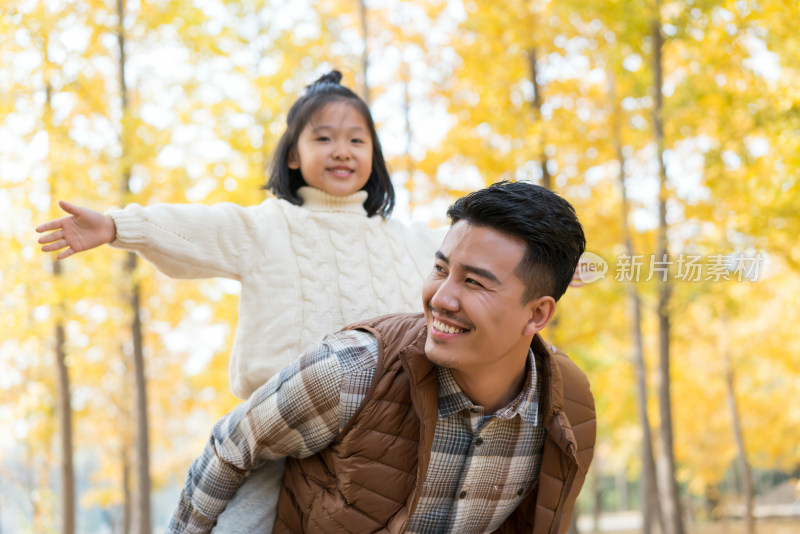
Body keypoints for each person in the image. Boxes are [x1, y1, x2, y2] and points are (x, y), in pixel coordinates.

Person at [35, 71, 444, 532]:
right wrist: (116, 227)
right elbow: (196, 229)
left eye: (356, 139)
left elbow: (481, 256)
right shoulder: (266, 227)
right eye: (323, 137)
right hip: (281, 431)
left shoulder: (409, 240)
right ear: (293, 153)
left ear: (374, 154)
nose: (341, 150)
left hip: (384, 436)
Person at [168, 181, 596, 534]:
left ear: (537, 314)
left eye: (475, 283)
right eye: (441, 269)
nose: (441, 298)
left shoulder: (567, 407)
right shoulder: (352, 370)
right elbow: (230, 447)